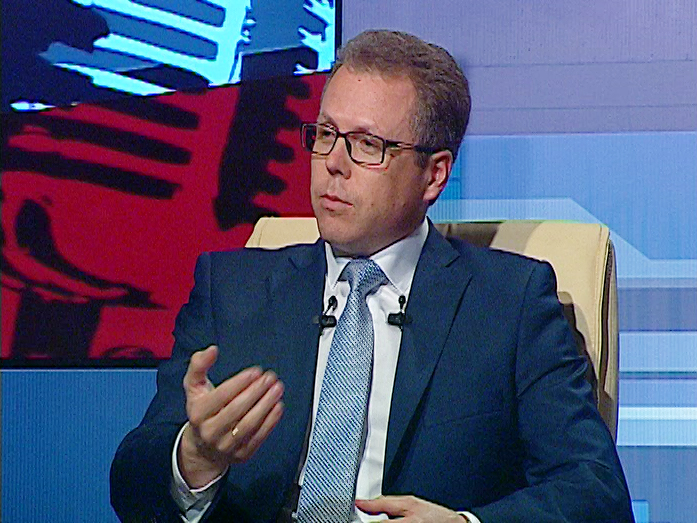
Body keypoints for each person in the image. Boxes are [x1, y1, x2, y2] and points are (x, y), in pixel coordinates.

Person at [110, 30, 634, 522]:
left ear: (434, 175)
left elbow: (595, 490)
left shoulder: (509, 303)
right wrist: (194, 456)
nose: (333, 163)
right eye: (325, 134)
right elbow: (131, 483)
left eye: (366, 145)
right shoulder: (232, 289)